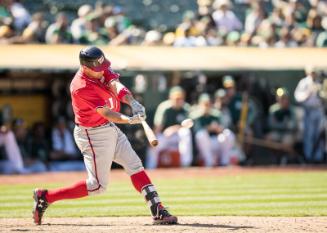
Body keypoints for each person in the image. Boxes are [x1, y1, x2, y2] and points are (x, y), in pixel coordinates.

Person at [32, 46, 177, 225]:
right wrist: (130, 120)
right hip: (92, 134)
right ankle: (46, 197)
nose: (102, 72)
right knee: (97, 186)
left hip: (108, 128)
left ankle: (158, 209)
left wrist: (132, 102)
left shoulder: (99, 67)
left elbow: (115, 84)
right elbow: (107, 113)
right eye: (97, 69)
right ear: (85, 67)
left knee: (135, 165)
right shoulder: (81, 86)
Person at [147, 86, 193, 168]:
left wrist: (174, 128)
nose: (178, 100)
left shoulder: (186, 108)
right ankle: (150, 168)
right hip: (165, 136)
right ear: (170, 97)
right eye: (176, 98)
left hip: (178, 137)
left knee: (186, 132)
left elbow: (190, 124)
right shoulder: (164, 107)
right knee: (153, 146)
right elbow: (158, 126)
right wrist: (152, 139)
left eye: (180, 98)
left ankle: (185, 165)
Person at [192, 93, 236, 166]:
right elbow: (196, 131)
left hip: (216, 141)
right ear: (200, 104)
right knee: (201, 135)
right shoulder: (196, 116)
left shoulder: (216, 115)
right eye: (204, 104)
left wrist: (218, 129)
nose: (207, 106)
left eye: (208, 104)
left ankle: (224, 161)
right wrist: (209, 128)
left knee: (228, 134)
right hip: (203, 145)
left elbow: (223, 128)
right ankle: (209, 162)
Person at [294, 66, 324, 163]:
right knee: (309, 135)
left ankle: (318, 157)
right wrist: (309, 92)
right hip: (308, 110)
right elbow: (298, 97)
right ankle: (309, 157)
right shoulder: (304, 82)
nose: (314, 74)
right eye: (312, 72)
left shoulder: (320, 82)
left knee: (320, 134)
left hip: (319, 110)